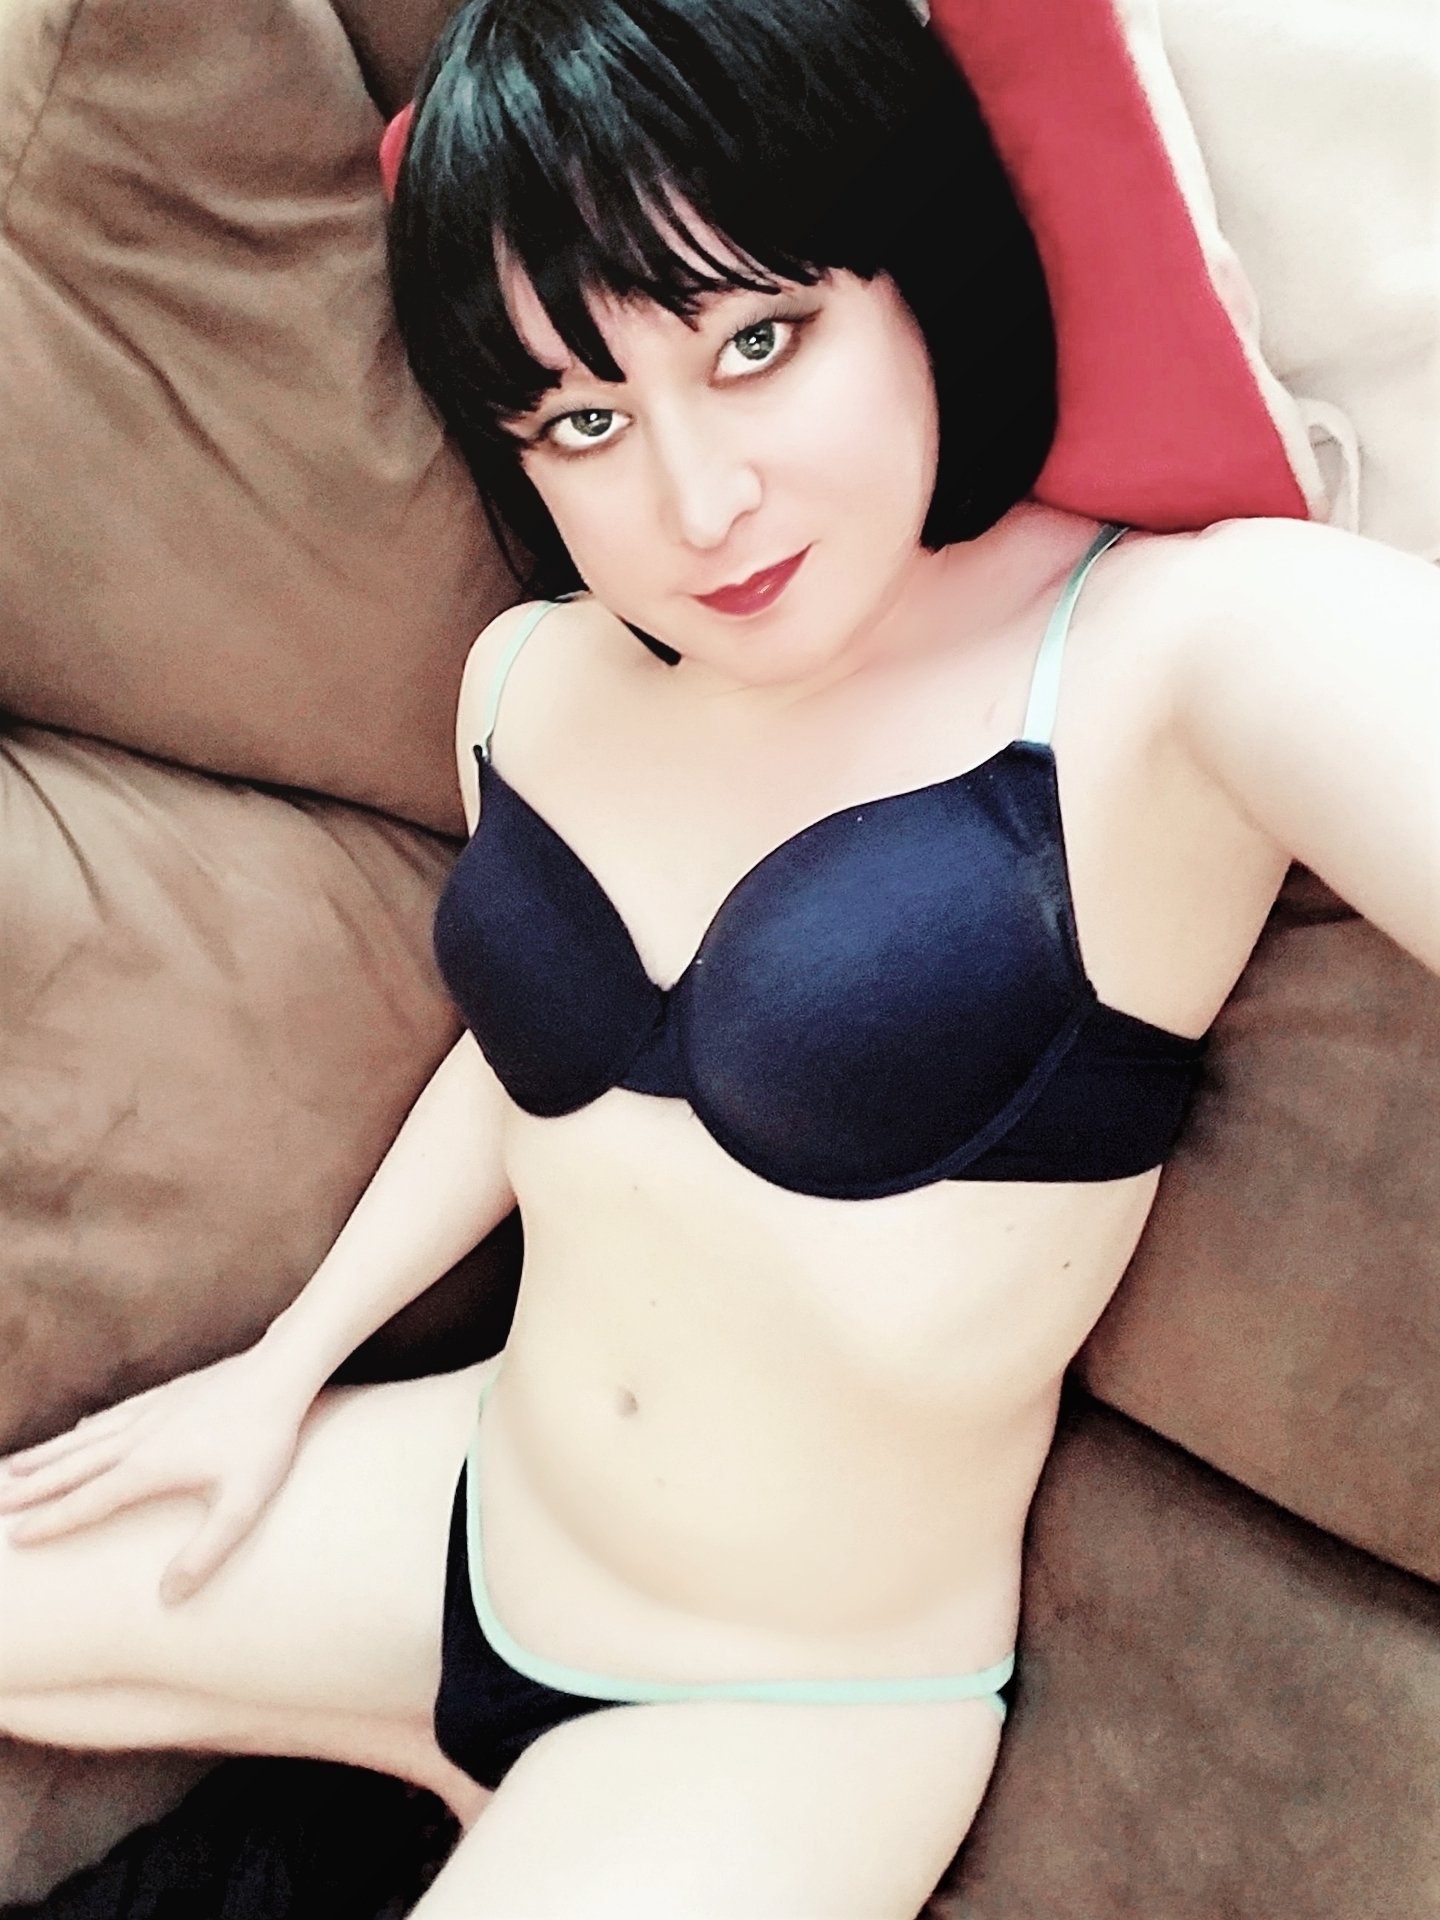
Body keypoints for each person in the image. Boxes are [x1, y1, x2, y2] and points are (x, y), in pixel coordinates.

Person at [1, 0, 1435, 1914]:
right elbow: (542, 1074)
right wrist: (287, 1363)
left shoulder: (1182, 660)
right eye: (584, 419)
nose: (697, 509)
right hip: (466, 1519)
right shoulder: (533, 679)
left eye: (757, 340)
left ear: (919, 269)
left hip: (780, 1721)